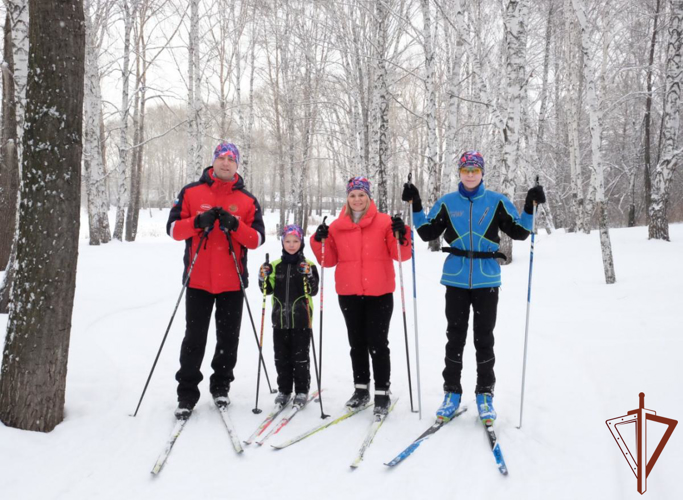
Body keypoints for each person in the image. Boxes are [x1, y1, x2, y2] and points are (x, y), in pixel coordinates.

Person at [401, 150, 546, 426]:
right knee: (454, 337)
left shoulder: (496, 202)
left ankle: (485, 394)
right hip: (455, 278)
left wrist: (530, 205)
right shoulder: (447, 203)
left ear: (482, 173)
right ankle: (452, 393)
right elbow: (426, 232)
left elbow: (520, 231)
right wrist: (416, 203)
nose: (470, 174)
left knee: (484, 337)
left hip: (486, 279)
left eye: (475, 170)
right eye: (465, 169)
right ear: (460, 173)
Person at [166, 142, 265, 419]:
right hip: (198, 280)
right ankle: (186, 393)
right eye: (221, 158)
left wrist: (235, 226)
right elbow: (173, 229)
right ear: (213, 161)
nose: (225, 163)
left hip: (232, 282)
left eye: (231, 159)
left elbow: (257, 239)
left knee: (228, 339)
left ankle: (221, 386)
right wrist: (198, 221)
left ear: (237, 165)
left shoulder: (247, 200)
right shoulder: (191, 192)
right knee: (194, 339)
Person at [310, 176, 411, 416]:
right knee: (356, 344)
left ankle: (382, 391)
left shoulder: (385, 222)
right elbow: (328, 260)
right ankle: (361, 389)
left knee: (378, 343)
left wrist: (402, 234)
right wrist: (318, 240)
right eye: (353, 195)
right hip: (349, 292)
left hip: (380, 292)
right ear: (347, 198)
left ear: (369, 197)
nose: (357, 200)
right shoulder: (336, 226)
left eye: (361, 195)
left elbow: (401, 255)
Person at [258, 224, 319, 409]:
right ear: (282, 242)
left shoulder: (308, 264)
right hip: (279, 320)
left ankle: (301, 390)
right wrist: (263, 276)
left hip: (302, 319)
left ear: (301, 242)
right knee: (281, 357)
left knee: (300, 358)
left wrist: (308, 275)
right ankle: (284, 390)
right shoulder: (275, 265)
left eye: (295, 241)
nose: (291, 245)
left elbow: (314, 290)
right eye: (287, 241)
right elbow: (266, 290)